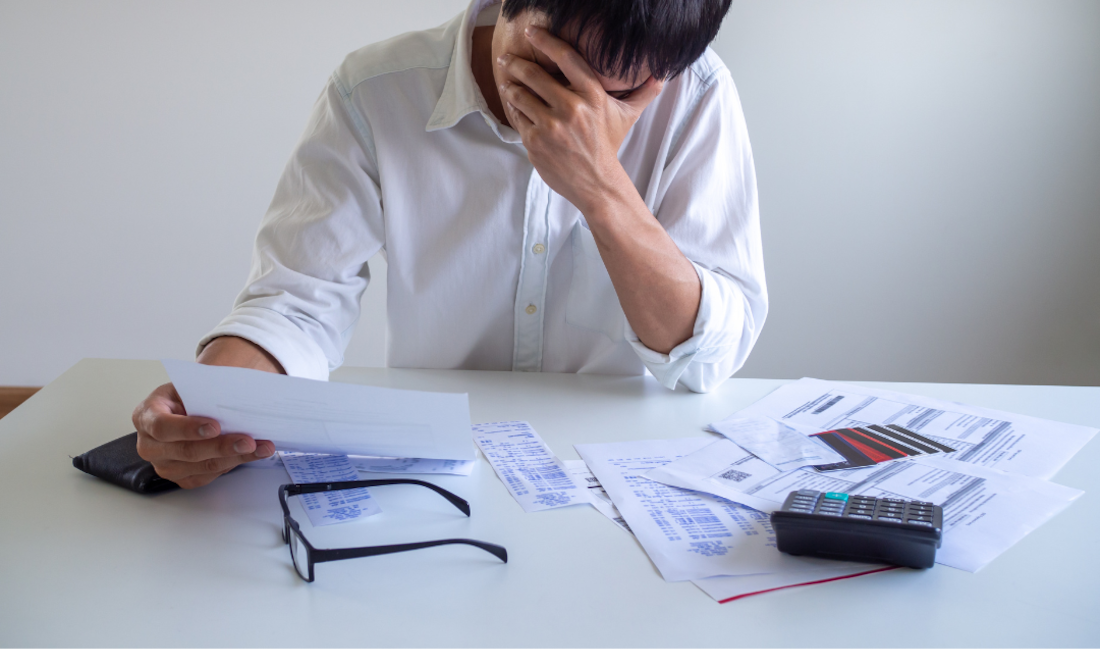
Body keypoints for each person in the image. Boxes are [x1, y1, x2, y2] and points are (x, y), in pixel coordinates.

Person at [132, 0, 767, 489]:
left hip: (620, 477)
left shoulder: (698, 95)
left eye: (616, 94)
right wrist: (210, 405)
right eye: (550, 71)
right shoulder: (375, 90)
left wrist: (601, 188)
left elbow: (708, 357)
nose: (573, 114)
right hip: (433, 471)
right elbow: (297, 302)